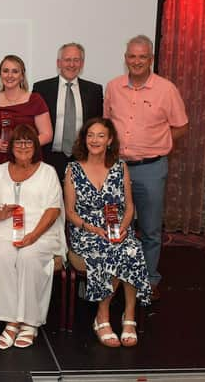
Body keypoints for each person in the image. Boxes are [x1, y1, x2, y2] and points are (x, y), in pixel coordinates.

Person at [104, 35, 188, 300]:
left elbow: (181, 125)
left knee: (150, 229)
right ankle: (113, 275)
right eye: (132, 56)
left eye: (142, 57)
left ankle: (150, 279)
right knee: (113, 225)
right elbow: (107, 125)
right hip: (116, 168)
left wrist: (160, 141)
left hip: (151, 168)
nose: (136, 61)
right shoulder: (113, 87)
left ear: (150, 59)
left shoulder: (166, 89)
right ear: (125, 58)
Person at [64, 117, 151, 347]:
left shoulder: (120, 166)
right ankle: (102, 315)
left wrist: (122, 229)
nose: (95, 140)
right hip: (86, 230)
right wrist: (91, 228)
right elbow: (70, 212)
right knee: (107, 251)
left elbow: (130, 206)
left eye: (101, 135)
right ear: (84, 139)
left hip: (118, 227)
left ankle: (128, 315)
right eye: (90, 135)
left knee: (131, 249)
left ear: (110, 140)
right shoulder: (73, 168)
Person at [0, 124, 65, 350]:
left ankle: (30, 322)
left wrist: (33, 235)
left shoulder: (47, 172)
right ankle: (11, 321)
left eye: (28, 142)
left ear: (36, 146)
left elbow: (53, 210)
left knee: (29, 257)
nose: (23, 146)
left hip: (41, 231)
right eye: (18, 142)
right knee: (3, 256)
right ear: (11, 146)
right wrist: (0, 213)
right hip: (4, 230)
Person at [33, 43, 103, 181]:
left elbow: (99, 125)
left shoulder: (94, 91)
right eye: (67, 60)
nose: (72, 64)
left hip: (83, 158)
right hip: (49, 158)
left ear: (82, 63)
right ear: (59, 63)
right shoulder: (42, 89)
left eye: (76, 60)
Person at [0, 55, 52, 181]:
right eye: (5, 71)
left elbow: (47, 134)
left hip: (27, 161)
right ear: (0, 74)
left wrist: (23, 146)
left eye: (15, 71)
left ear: (22, 76)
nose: (9, 75)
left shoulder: (35, 100)